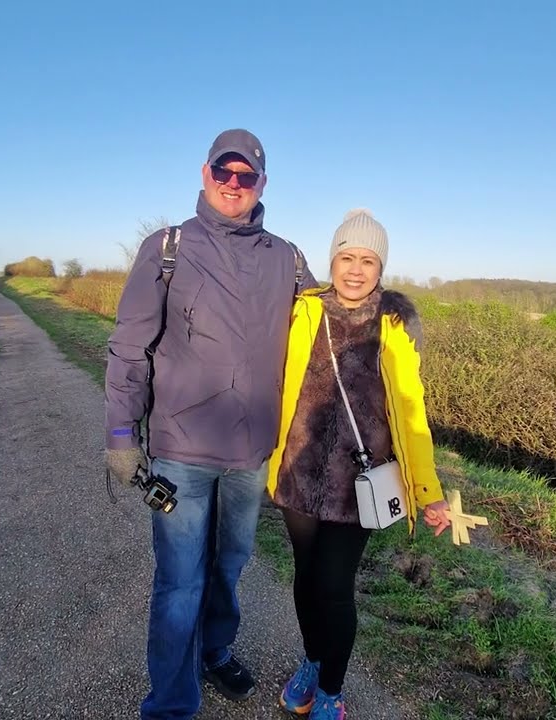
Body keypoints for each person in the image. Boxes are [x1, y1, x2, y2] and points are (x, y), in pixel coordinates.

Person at [104, 128, 318, 720]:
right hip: (181, 453)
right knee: (180, 582)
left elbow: (324, 334)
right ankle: (171, 704)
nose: (233, 183)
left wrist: (391, 319)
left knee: (229, 566)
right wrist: (121, 435)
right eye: (224, 171)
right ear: (205, 174)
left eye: (245, 175)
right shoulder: (167, 248)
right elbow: (130, 346)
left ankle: (214, 650)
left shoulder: (288, 259)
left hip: (251, 456)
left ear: (262, 184)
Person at [267, 209, 451, 720]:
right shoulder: (302, 311)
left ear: (380, 267)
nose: (355, 269)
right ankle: (311, 660)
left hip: (359, 482)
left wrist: (428, 490)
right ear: (332, 261)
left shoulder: (394, 324)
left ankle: (331, 689)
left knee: (334, 584)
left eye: (367, 260)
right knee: (306, 577)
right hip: (299, 469)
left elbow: (411, 410)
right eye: (346, 257)